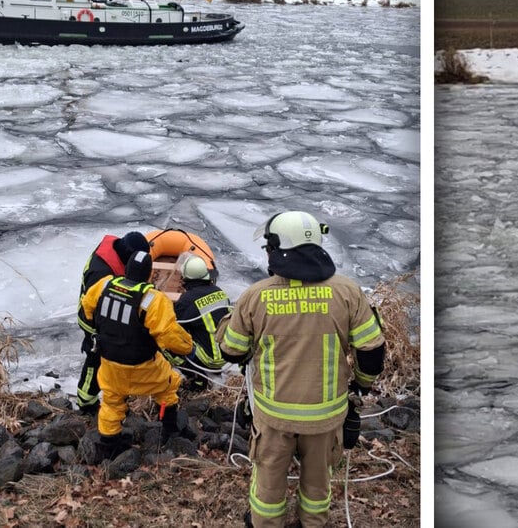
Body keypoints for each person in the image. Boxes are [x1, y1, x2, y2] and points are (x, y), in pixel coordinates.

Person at [217, 211, 386, 528]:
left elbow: (231, 350)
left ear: (278, 247)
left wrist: (230, 320)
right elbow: (372, 349)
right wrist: (362, 385)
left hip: (274, 417)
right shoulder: (347, 292)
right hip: (326, 417)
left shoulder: (255, 297)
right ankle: (312, 523)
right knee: (318, 485)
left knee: (268, 481)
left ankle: (266, 524)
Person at [79, 250, 194, 458]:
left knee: (111, 402)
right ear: (150, 274)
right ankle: (170, 429)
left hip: (111, 364)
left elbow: (86, 307)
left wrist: (97, 331)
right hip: (144, 367)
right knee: (168, 386)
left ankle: (109, 445)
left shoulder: (104, 284)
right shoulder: (154, 300)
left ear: (126, 269)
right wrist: (188, 346)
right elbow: (169, 336)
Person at [75, 231, 150, 415]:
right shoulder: (102, 274)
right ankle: (86, 402)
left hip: (101, 311)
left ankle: (108, 396)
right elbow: (90, 309)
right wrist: (96, 334)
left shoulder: (111, 252)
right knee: (94, 359)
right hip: (92, 320)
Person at [167, 253, 232, 391]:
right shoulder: (220, 292)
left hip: (208, 359)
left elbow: (173, 330)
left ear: (186, 278)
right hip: (226, 353)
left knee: (165, 343)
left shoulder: (186, 300)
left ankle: (194, 375)